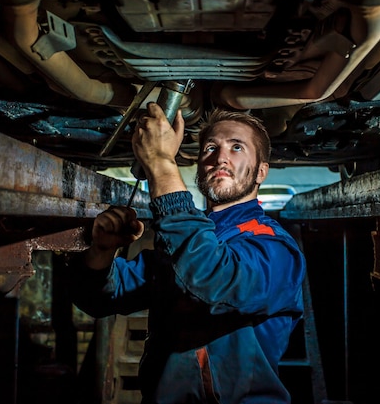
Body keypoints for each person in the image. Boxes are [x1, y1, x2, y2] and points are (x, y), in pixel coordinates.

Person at [69, 103, 306, 403]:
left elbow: (212, 280)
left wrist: (161, 164)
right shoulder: (180, 239)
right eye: (210, 148)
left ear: (261, 171)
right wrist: (101, 251)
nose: (220, 157)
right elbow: (98, 298)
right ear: (198, 166)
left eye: (236, 147)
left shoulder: (275, 248)